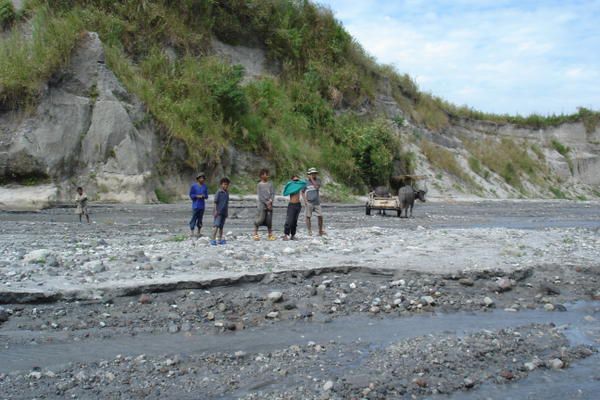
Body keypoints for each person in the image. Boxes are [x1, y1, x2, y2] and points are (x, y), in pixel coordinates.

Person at [253, 169, 275, 241]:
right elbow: (260, 196)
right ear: (261, 176)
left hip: (270, 204)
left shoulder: (270, 184)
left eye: (267, 174)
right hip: (262, 205)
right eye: (265, 174)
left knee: (269, 220)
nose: (266, 175)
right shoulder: (259, 185)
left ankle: (270, 235)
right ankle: (255, 233)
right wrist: (266, 203)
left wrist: (270, 201)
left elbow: (272, 193)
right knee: (260, 219)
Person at [282, 175, 306, 241]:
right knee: (289, 220)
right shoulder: (290, 186)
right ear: (292, 180)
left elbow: (304, 183)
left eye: (297, 180)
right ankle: (286, 235)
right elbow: (285, 192)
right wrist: (292, 182)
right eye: (295, 180)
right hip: (291, 205)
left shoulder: (299, 185)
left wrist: (298, 181)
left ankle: (293, 235)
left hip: (298, 205)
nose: (296, 181)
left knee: (294, 221)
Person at [303, 167, 326, 236]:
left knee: (320, 216)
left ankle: (320, 231)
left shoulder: (318, 180)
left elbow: (316, 187)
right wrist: (305, 200)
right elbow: (302, 191)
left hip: (317, 202)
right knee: (308, 216)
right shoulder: (305, 182)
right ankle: (309, 231)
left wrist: (312, 179)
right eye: (312, 174)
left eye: (314, 174)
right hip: (309, 202)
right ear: (309, 174)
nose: (313, 175)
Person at [211, 177, 230, 246]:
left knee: (221, 227)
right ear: (221, 184)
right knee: (216, 225)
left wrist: (227, 212)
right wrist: (215, 211)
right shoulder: (218, 192)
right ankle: (213, 239)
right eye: (224, 184)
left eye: (227, 185)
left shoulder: (227, 193)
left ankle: (219, 239)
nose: (226, 186)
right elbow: (215, 202)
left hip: (224, 212)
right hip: (218, 212)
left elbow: (227, 203)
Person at [189, 173, 209, 237]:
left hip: (202, 206)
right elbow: (191, 195)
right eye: (200, 178)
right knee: (194, 218)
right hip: (195, 205)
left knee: (200, 219)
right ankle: (192, 231)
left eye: (203, 178)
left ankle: (198, 232)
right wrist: (197, 196)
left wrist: (204, 196)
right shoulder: (194, 186)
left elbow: (206, 196)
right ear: (198, 179)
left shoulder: (205, 186)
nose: (202, 179)